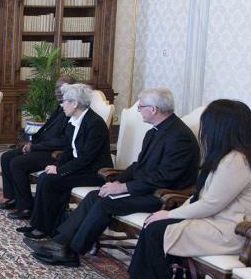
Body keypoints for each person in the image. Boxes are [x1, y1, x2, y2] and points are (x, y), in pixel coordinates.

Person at [27, 88, 200, 267]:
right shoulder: (155, 131)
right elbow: (138, 166)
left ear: (154, 109)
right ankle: (60, 242)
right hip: (145, 187)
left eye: (141, 106)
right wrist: (117, 181)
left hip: (162, 196)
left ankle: (72, 251)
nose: (139, 110)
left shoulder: (180, 137)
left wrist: (124, 188)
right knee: (95, 196)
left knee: (104, 203)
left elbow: (164, 178)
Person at [128, 99, 251, 279]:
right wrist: (171, 213)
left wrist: (169, 214)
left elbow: (210, 204)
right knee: (155, 226)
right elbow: (200, 196)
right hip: (221, 222)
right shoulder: (231, 155)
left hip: (241, 232)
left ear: (219, 128)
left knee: (156, 231)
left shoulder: (237, 161)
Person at [18, 83, 113, 241]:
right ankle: (39, 224)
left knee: (50, 181)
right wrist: (56, 166)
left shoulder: (94, 124)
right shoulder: (73, 122)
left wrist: (61, 170)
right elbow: (69, 151)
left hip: (94, 172)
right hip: (79, 167)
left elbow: (86, 158)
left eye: (65, 101)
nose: (61, 105)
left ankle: (48, 228)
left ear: (75, 103)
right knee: (46, 177)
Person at [0, 76, 76, 220]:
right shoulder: (60, 107)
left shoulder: (73, 111)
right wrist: (31, 143)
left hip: (53, 153)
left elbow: (64, 141)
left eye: (62, 88)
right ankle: (12, 198)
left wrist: (35, 146)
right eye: (56, 88)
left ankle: (26, 206)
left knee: (17, 163)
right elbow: (45, 130)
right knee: (6, 156)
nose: (58, 92)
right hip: (41, 147)